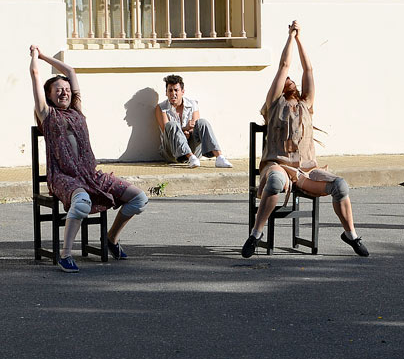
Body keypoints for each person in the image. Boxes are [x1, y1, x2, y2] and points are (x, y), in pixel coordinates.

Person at [243, 21, 369, 258]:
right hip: (278, 166)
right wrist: (290, 36)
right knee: (273, 184)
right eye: (286, 79)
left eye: (292, 79)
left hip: (307, 172)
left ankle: (351, 235)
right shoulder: (274, 104)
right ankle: (255, 234)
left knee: (340, 186)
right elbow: (284, 65)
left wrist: (301, 39)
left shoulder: (306, 104)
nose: (289, 78)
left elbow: (308, 70)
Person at [30, 45, 148, 272]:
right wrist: (35, 56)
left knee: (139, 199)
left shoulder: (77, 110)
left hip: (91, 175)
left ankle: (111, 239)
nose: (64, 92)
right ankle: (65, 255)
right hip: (63, 177)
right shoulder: (47, 114)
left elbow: (71, 72)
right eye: (58, 90)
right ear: (49, 95)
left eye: (66, 89)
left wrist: (46, 56)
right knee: (82, 202)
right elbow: (35, 75)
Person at [154, 74, 232, 168]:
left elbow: (195, 126)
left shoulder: (192, 104)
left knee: (202, 122)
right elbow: (167, 131)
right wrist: (185, 129)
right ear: (166, 93)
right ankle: (190, 158)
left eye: (176, 90)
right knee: (171, 124)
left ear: (182, 92)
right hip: (172, 153)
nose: (173, 94)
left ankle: (220, 158)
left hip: (193, 148)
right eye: (170, 90)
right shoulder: (161, 108)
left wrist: (189, 131)